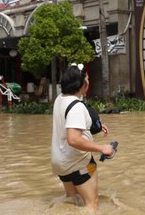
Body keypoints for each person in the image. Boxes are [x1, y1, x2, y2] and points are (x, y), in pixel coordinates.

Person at [51, 64, 114, 211]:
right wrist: (101, 148)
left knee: (73, 200)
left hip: (60, 164)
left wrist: (95, 125)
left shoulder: (60, 99)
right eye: (87, 79)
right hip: (79, 163)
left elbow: (68, 123)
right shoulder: (77, 107)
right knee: (92, 204)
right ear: (82, 84)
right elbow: (73, 139)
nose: (88, 81)